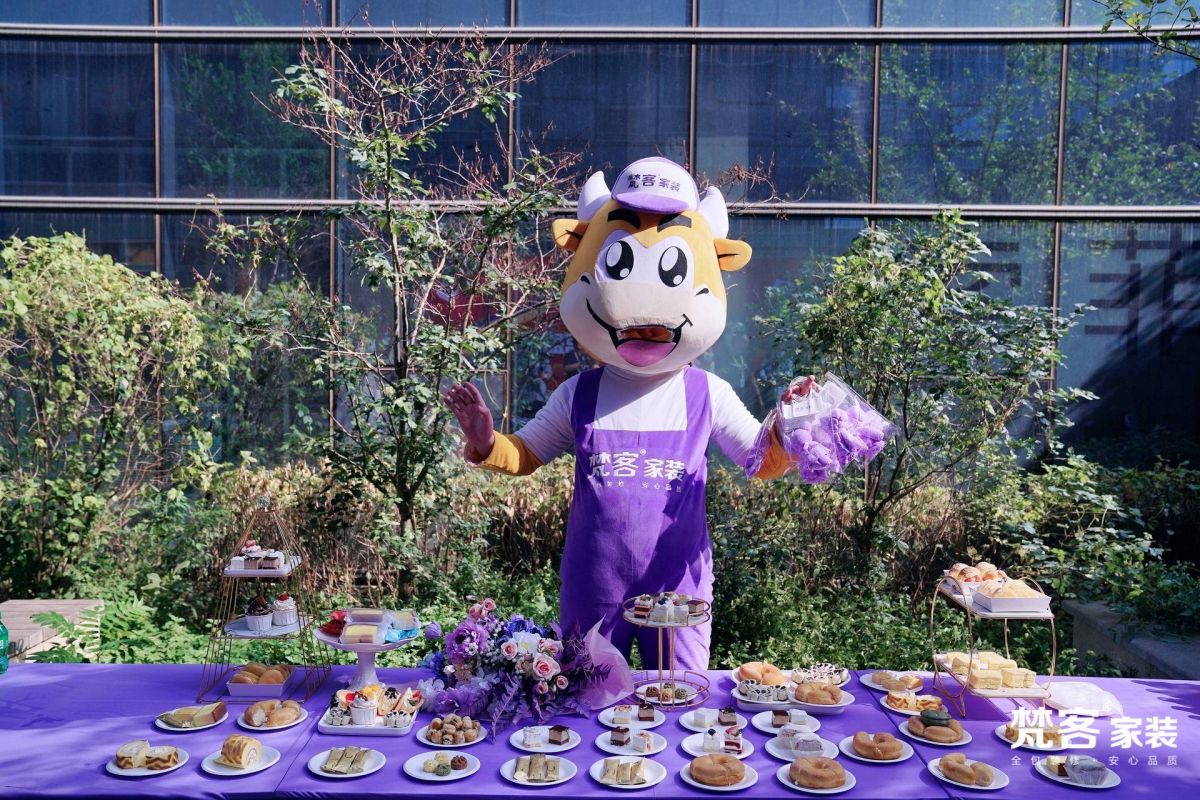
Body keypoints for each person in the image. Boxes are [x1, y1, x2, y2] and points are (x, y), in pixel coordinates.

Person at [444, 157, 806, 671]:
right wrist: (485, 441)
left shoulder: (708, 394)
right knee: (588, 703)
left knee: (677, 703)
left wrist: (790, 429)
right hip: (593, 587)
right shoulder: (579, 394)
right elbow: (524, 454)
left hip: (677, 591)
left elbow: (760, 460)